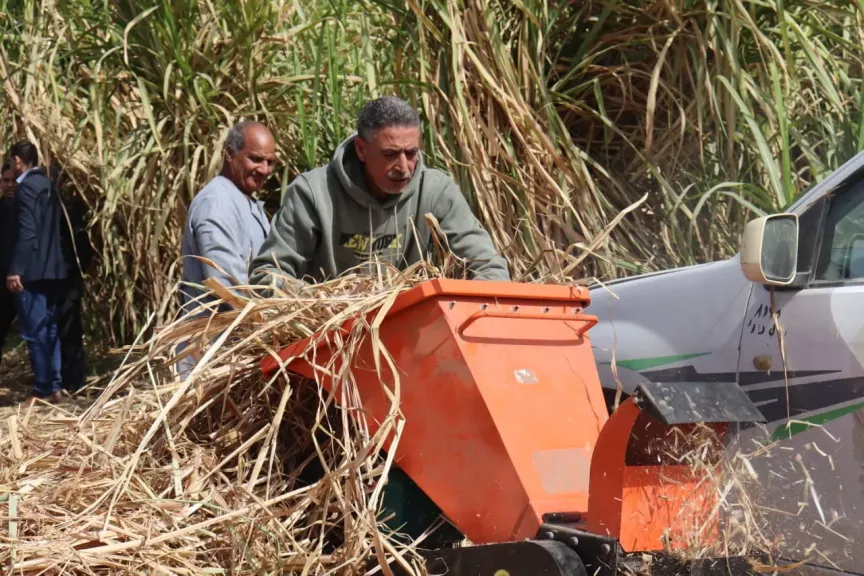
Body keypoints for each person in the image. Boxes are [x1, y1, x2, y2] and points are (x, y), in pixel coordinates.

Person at [248, 95, 509, 288]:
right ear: (362, 150)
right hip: (331, 333)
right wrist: (325, 302)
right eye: (390, 154)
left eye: (411, 153)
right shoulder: (312, 193)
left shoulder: (437, 192)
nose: (404, 168)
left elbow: (489, 267)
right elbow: (266, 276)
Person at [176, 121, 275, 377]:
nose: (264, 170)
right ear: (230, 154)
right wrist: (274, 327)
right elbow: (226, 285)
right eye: (256, 159)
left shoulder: (244, 200)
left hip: (236, 353)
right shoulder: (217, 204)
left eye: (270, 162)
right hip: (213, 357)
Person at [6, 141, 73, 403]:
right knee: (50, 329)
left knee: (34, 331)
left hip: (32, 271)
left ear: (17, 161)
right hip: (53, 269)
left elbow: (28, 232)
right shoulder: (48, 185)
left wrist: (15, 269)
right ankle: (54, 386)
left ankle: (42, 388)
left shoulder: (24, 189)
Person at [0, 162, 18, 361]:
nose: (10, 185)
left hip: (26, 281)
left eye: (14, 180)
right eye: (6, 180)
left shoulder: (28, 210)